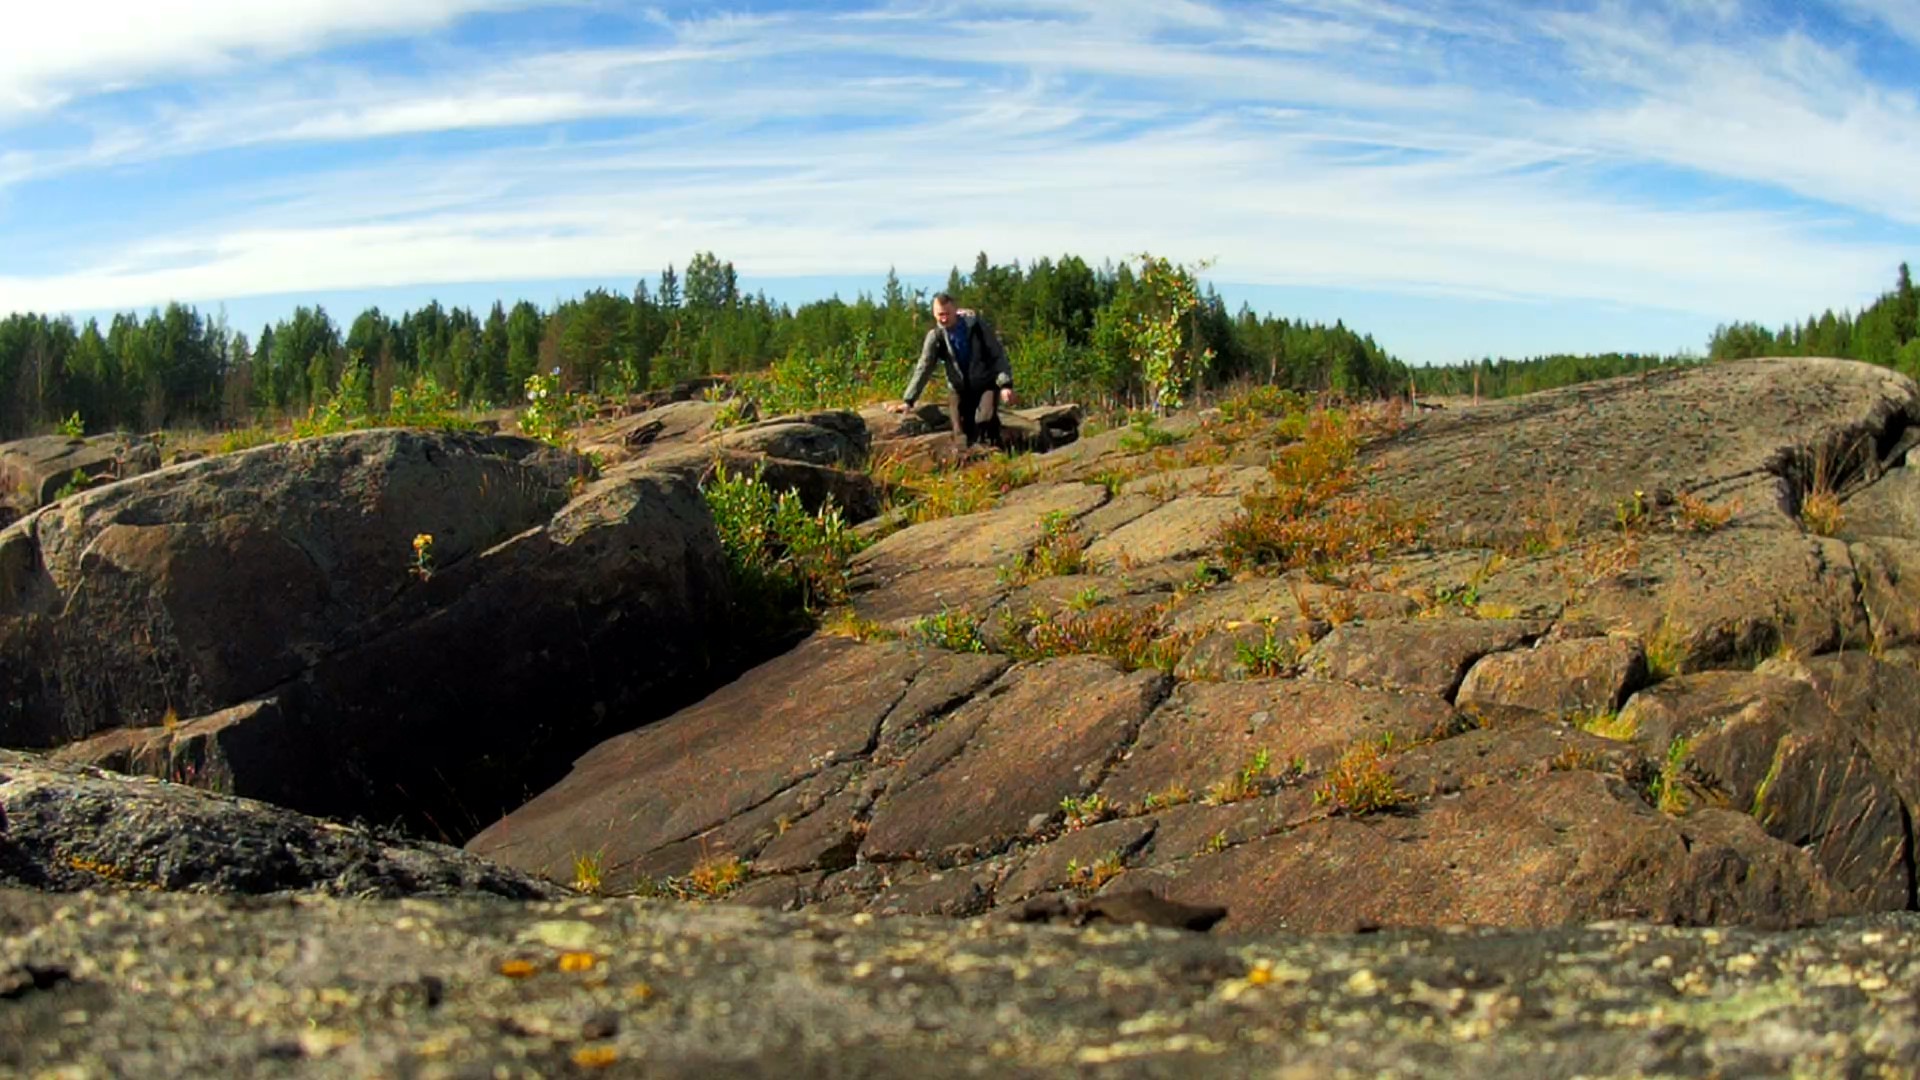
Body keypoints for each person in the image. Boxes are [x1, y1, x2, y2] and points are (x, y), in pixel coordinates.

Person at [890, 293, 1014, 447]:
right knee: (959, 430)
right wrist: (909, 400)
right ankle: (968, 462)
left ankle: (1001, 449)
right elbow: (924, 367)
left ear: (955, 310)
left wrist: (1005, 384)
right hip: (958, 388)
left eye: (947, 314)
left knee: (984, 420)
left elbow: (997, 355)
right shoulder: (936, 336)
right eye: (939, 315)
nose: (943, 319)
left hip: (985, 384)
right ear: (934, 314)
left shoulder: (976, 327)